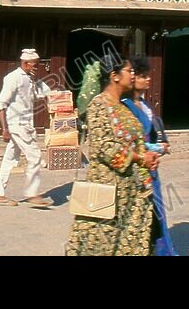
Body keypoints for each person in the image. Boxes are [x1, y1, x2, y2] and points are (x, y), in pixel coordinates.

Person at [66, 59, 159, 256]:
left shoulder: (124, 107)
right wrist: (140, 158)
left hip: (132, 192)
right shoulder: (99, 105)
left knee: (130, 243)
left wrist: (147, 155)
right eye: (129, 71)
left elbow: (136, 140)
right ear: (114, 76)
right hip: (109, 189)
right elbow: (105, 147)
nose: (133, 75)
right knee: (100, 243)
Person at [121, 57, 177, 256]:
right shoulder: (125, 106)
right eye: (143, 76)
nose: (148, 79)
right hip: (136, 166)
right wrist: (156, 148)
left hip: (151, 166)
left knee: (156, 214)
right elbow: (130, 141)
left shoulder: (144, 104)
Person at [0, 48, 53, 207]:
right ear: (25, 63)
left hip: (25, 125)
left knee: (9, 159)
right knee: (35, 156)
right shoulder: (13, 78)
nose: (36, 67)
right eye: (34, 64)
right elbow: (0, 104)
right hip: (16, 125)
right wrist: (4, 129)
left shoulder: (31, 79)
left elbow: (46, 93)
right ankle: (32, 193)